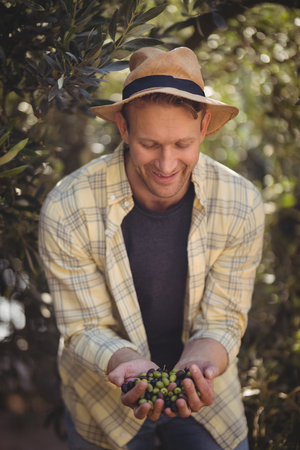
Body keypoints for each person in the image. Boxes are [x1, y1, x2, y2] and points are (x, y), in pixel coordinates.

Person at [38, 47, 265, 450]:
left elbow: (225, 319)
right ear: (123, 129)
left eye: (182, 143)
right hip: (103, 397)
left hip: (207, 394)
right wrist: (126, 364)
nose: (166, 163)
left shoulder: (241, 203)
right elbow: (83, 325)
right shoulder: (67, 206)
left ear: (205, 125)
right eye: (149, 143)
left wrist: (201, 364)